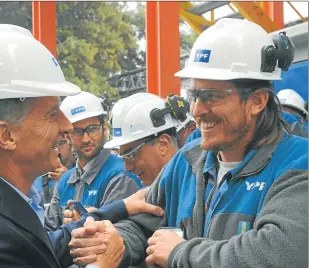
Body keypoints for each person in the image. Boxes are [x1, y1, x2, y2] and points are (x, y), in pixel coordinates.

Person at [69, 18, 308, 268]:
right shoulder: (188, 161)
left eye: (211, 97)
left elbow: (281, 252)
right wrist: (117, 243)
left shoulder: (298, 165)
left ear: (257, 101)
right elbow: (143, 223)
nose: (196, 110)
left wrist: (181, 253)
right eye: (194, 95)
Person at [0, 24, 165, 268]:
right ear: (6, 135)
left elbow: (43, 247)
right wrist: (101, 265)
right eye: (51, 114)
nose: (67, 126)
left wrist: (122, 206)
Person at [45, 91, 142, 231]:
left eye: (92, 129)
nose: (86, 139)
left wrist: (81, 225)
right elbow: (49, 232)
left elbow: (116, 237)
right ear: (67, 137)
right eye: (77, 131)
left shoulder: (121, 176)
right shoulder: (65, 181)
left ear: (104, 129)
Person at [104, 93, 180, 186]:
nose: (128, 168)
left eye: (131, 155)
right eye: (124, 158)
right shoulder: (165, 193)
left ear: (163, 144)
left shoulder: (193, 191)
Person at [33, 135, 76, 205]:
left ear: (71, 143)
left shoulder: (84, 172)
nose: (56, 149)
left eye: (60, 143)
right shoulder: (36, 179)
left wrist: (67, 178)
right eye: (53, 145)